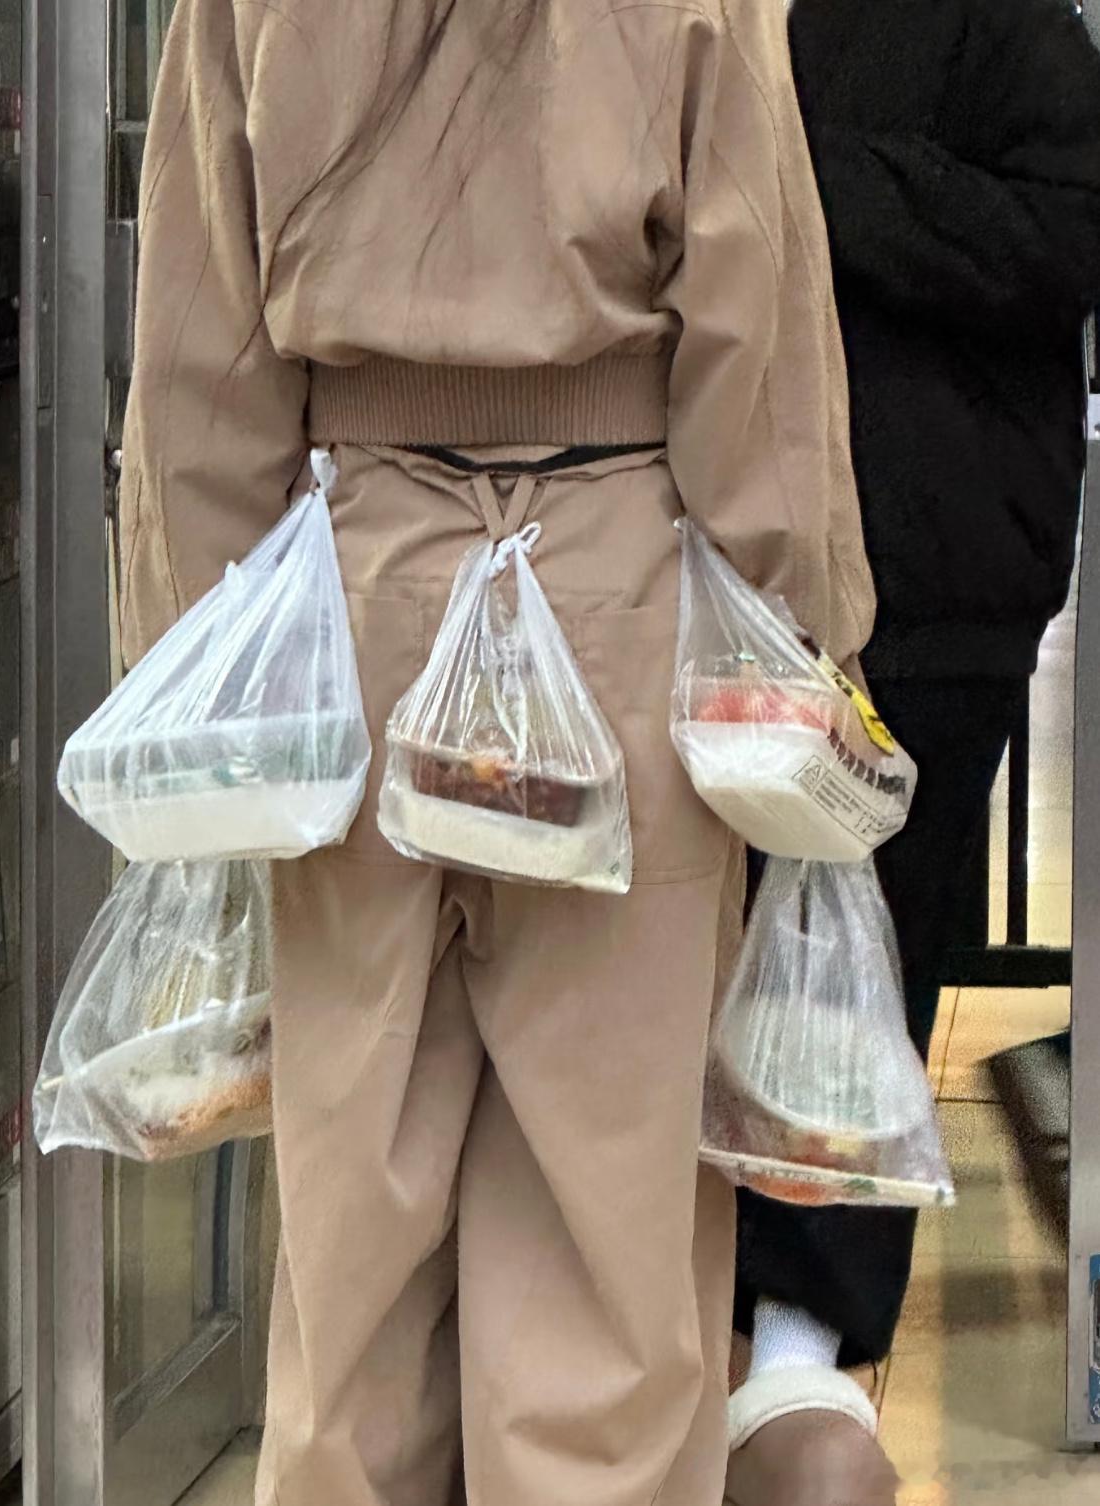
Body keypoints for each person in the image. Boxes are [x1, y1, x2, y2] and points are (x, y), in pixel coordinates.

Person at [117, 3, 873, 1504]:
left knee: (352, 1242)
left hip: (352, 597)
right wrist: (811, 634)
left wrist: (186, 662)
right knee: (607, 1243)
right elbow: (758, 342)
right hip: (615, 601)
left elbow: (201, 349)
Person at [725, 3, 1100, 1502]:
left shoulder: (995, 24)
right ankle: (689, 1319)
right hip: (701, 581)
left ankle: (798, 1352)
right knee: (669, 969)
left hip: (930, 582)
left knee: (859, 965)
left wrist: (809, 172)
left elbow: (1068, 231)